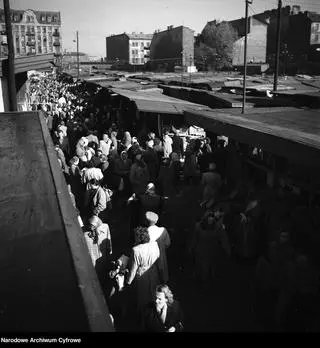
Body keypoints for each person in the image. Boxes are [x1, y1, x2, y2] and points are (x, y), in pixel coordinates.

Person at [125, 226, 161, 316]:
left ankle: (142, 319)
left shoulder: (136, 250)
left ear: (138, 237)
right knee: (153, 296)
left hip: (142, 276)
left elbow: (133, 269)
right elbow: (158, 257)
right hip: (153, 272)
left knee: (142, 299)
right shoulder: (155, 244)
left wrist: (128, 281)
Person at [146, 211, 171, 284]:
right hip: (162, 256)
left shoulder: (146, 233)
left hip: (150, 259)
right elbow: (168, 243)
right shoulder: (163, 230)